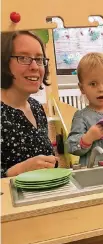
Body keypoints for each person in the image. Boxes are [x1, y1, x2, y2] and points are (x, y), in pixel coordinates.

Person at [1, 31, 57, 178]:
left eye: (39, 59)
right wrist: (19, 170)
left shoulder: (36, 107)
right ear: (4, 62)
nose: (34, 66)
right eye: (23, 58)